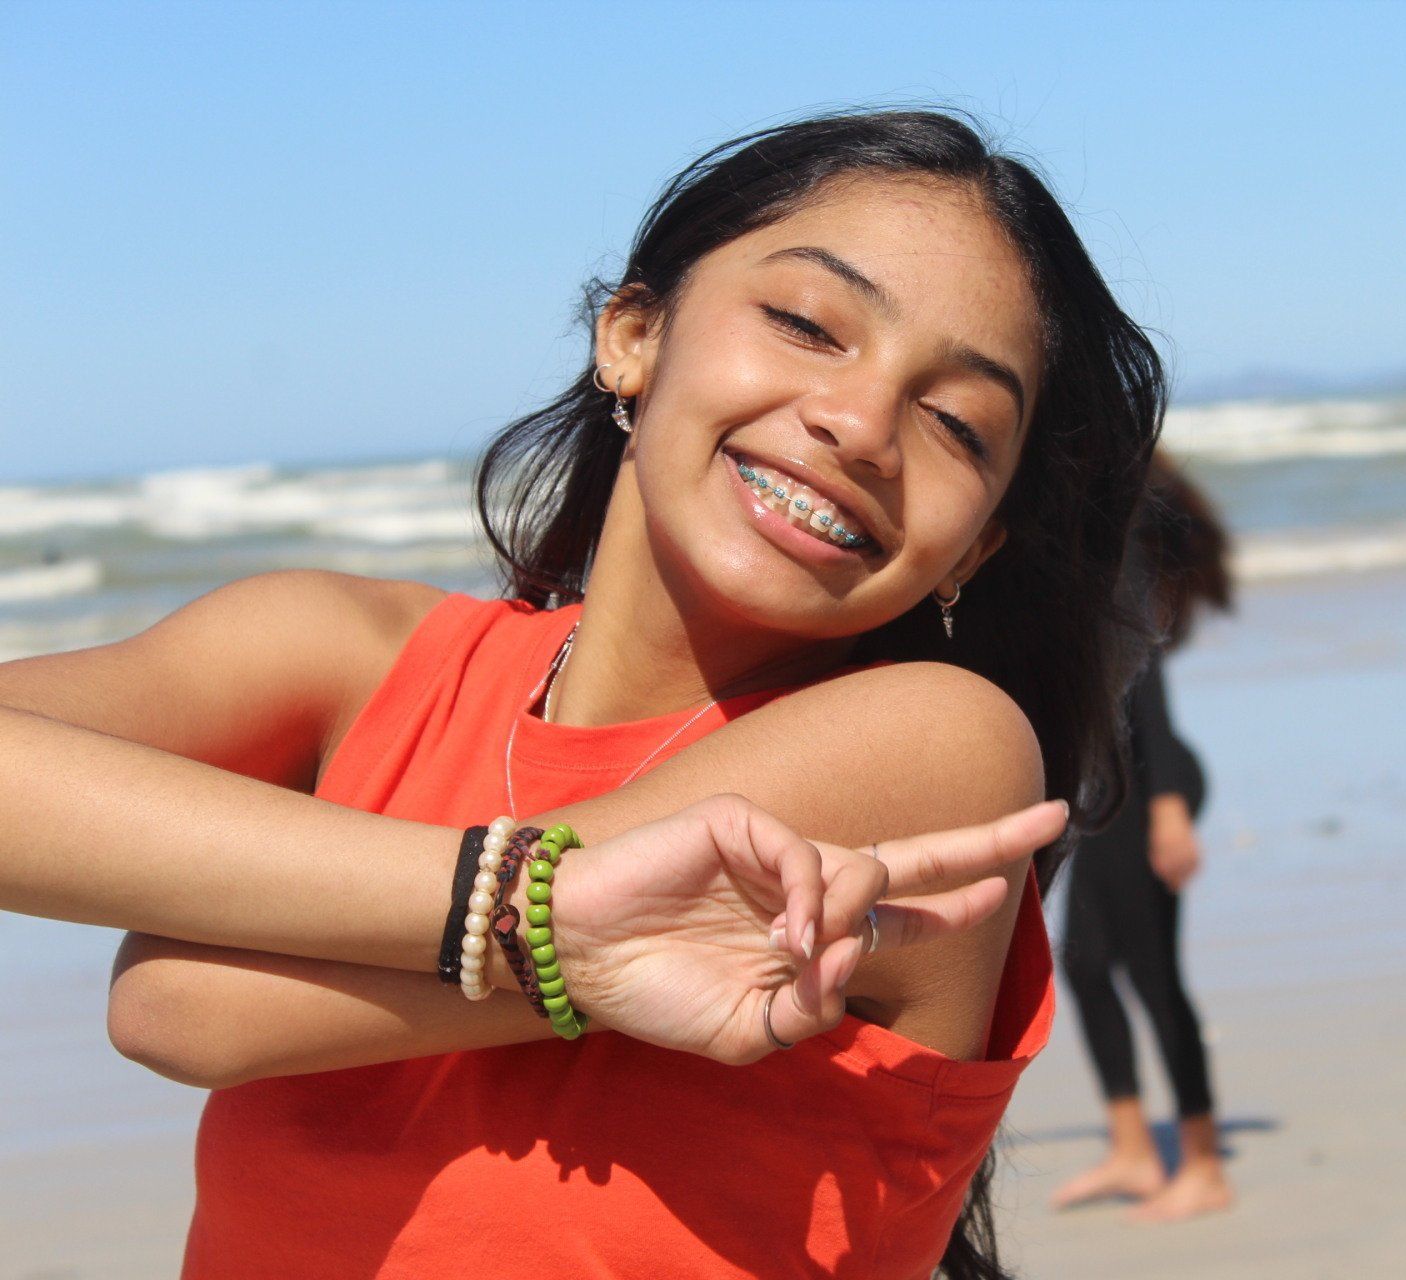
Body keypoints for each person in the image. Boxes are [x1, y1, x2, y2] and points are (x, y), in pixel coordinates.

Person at [0, 109, 1166, 1279]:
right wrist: (552, 916)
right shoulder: (349, 654)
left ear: (977, 546)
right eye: (809, 324)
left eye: (958, 422)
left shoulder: (937, 747)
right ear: (634, 336)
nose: (861, 426)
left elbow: (189, 1001)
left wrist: (309, 899)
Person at [1053, 453, 1234, 1221]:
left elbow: (1149, 688)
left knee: (1155, 975)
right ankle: (1132, 1151)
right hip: (1112, 786)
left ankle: (1202, 1166)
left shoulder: (1119, 547)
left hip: (1149, 783)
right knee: (1087, 963)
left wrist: (1166, 808)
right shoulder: (1087, 548)